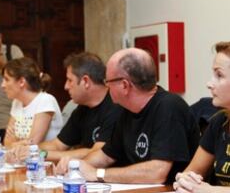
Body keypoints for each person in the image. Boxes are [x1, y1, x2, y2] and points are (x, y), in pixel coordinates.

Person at [72, 48, 199, 184]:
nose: (106, 87)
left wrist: (97, 174)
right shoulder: (125, 110)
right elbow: (106, 156)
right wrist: (76, 167)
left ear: (125, 85)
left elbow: (157, 173)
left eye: (107, 82)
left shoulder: (169, 107)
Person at [7, 52, 121, 163]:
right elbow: (57, 145)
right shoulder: (82, 108)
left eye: (70, 80)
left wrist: (42, 154)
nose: (66, 86)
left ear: (85, 81)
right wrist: (28, 149)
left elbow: (98, 153)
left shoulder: (115, 105)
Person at [174, 42, 230, 193]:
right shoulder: (219, 122)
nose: (209, 83)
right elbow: (191, 172)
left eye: (219, 75)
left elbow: (207, 192)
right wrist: (185, 182)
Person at [1, 57, 62, 147]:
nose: (2, 85)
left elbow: (32, 144)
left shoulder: (45, 100)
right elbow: (6, 142)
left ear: (22, 82)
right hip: (20, 159)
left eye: (6, 79)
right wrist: (17, 143)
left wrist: (15, 142)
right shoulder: (17, 102)